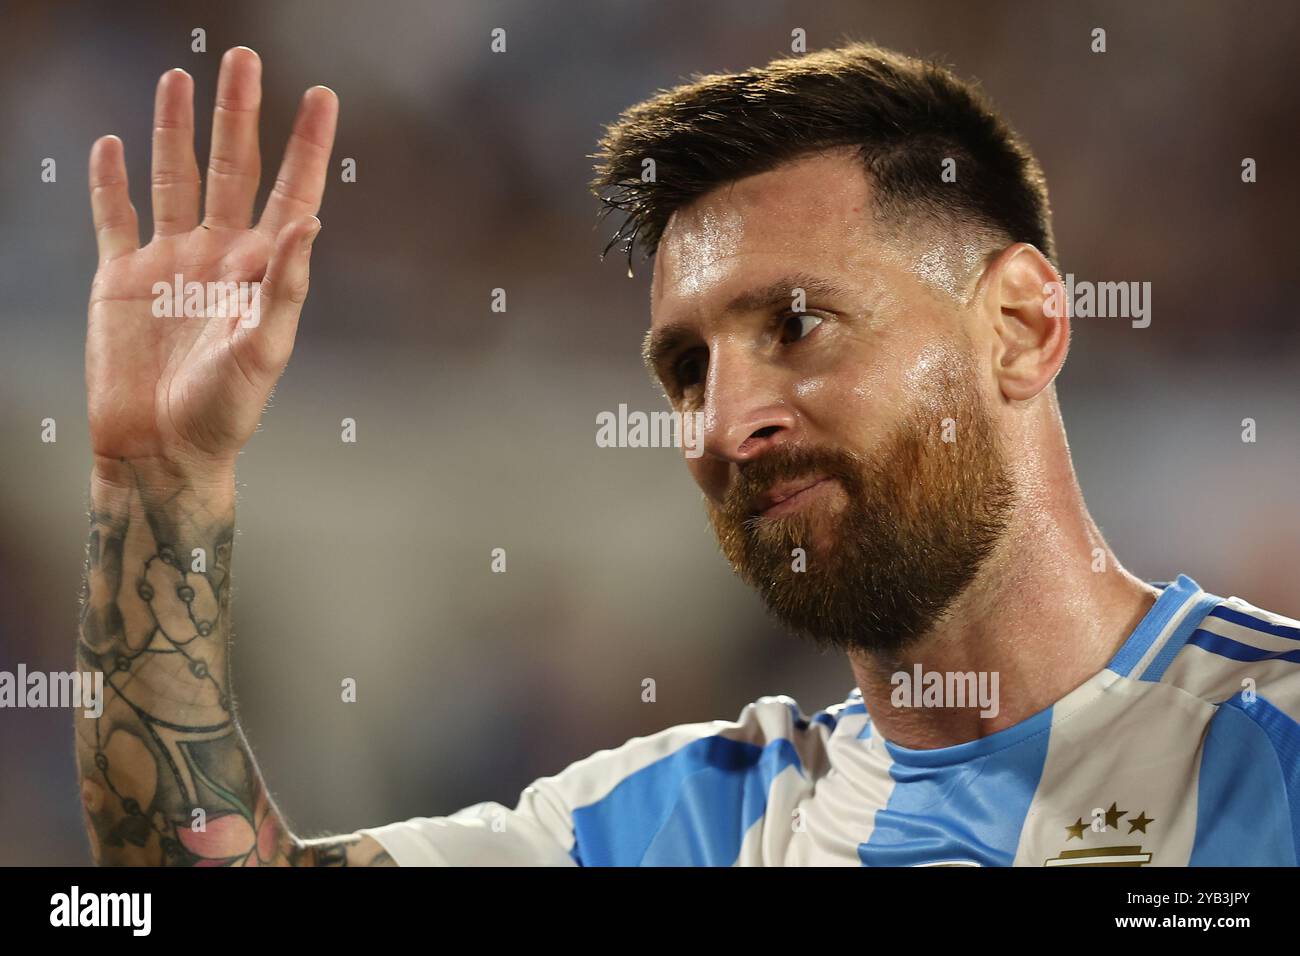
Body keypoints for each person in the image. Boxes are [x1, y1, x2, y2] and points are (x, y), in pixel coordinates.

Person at [77, 43, 1300, 867]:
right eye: (685, 370)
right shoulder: (686, 822)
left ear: (1021, 326)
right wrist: (155, 484)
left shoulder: (1271, 746)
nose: (725, 424)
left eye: (796, 325)